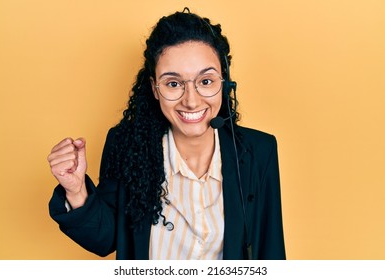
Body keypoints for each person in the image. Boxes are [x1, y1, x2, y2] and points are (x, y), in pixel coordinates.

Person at [47, 8, 285, 260]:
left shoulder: (259, 150)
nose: (191, 101)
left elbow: (270, 251)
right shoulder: (126, 144)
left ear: (224, 83)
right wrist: (76, 190)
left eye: (206, 81)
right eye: (173, 83)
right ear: (155, 88)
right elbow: (105, 239)